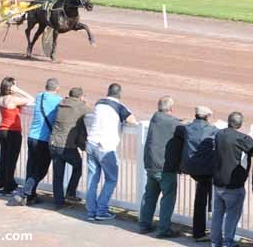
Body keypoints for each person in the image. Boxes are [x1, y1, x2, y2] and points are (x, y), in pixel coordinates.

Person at [85, 83, 138, 221]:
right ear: (119, 94)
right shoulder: (120, 107)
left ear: (107, 92)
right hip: (105, 147)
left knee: (92, 179)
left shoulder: (99, 103)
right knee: (111, 179)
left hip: (91, 143)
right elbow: (132, 121)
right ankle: (101, 211)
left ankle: (91, 211)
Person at [211, 112, 253, 247]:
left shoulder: (219, 134)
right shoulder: (240, 138)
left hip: (218, 182)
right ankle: (228, 242)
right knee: (231, 216)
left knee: (217, 215)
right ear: (239, 124)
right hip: (232, 184)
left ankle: (215, 241)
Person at [12, 78, 62, 205]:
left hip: (32, 137)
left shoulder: (40, 95)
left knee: (32, 167)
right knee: (42, 169)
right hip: (43, 140)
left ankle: (30, 196)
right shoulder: (58, 100)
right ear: (57, 88)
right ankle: (25, 192)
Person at [139, 96, 183, 238]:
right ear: (171, 109)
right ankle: (164, 229)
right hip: (165, 167)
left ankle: (144, 224)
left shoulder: (155, 118)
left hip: (151, 164)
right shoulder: (173, 122)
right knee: (168, 198)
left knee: (150, 196)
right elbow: (182, 129)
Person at [177, 105, 218, 242]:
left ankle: (199, 231)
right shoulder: (212, 130)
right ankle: (205, 230)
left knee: (201, 198)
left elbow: (182, 128)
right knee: (210, 198)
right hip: (206, 170)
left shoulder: (187, 128)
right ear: (207, 117)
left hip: (191, 168)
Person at [49, 87, 92, 209]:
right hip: (66, 145)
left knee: (58, 174)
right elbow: (91, 111)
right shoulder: (79, 106)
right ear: (80, 96)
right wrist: (84, 102)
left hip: (53, 142)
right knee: (78, 166)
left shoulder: (61, 103)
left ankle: (59, 201)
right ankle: (70, 193)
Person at [0, 77, 34, 195]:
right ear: (11, 87)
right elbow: (30, 98)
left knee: (4, 158)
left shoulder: (0, 98)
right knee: (11, 160)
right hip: (13, 132)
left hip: (2, 130)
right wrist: (18, 90)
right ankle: (8, 187)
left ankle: (1, 183)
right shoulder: (12, 100)